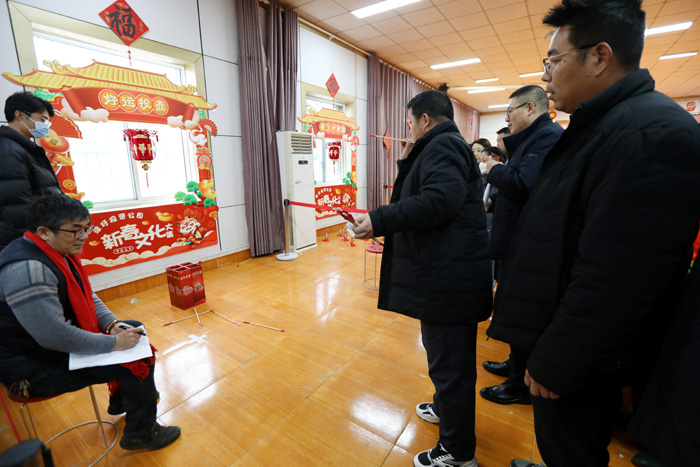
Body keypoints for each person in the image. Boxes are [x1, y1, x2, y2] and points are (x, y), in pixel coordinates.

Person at [486, 1, 700, 466]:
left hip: (582, 357)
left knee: (573, 451)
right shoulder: (600, 126)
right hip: (561, 337)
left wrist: (558, 357)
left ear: (600, 56)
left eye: (554, 61)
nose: (546, 76)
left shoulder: (651, 133)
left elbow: (620, 275)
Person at [353, 90, 492, 467]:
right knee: (444, 358)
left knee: (451, 366)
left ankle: (457, 452)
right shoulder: (446, 145)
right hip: (447, 274)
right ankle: (447, 410)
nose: (409, 128)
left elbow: (438, 201)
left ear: (425, 120)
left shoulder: (442, 146)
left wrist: (379, 219)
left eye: (410, 122)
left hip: (449, 280)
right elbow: (428, 196)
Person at [0, 195, 181, 451]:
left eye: (87, 228)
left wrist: (111, 325)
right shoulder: (29, 270)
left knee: (132, 328)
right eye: (75, 230)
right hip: (33, 370)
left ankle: (123, 400)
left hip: (45, 349)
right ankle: (142, 433)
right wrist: (114, 343)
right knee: (138, 360)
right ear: (44, 232)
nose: (84, 236)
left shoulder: (52, 251)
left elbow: (87, 294)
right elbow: (53, 336)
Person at [479, 85, 563, 406]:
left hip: (529, 244)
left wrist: (494, 169)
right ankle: (515, 366)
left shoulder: (548, 137)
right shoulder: (531, 138)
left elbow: (524, 184)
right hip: (515, 240)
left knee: (523, 314)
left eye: (509, 112)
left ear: (530, 108)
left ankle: (519, 384)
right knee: (512, 309)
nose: (506, 119)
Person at [0, 92, 64, 250]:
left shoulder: (24, 147)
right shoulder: (9, 150)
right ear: (20, 115)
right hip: (25, 239)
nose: (45, 126)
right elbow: (17, 206)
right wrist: (37, 239)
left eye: (47, 121)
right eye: (42, 119)